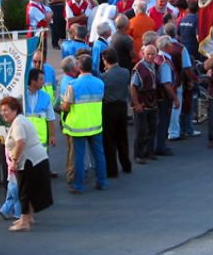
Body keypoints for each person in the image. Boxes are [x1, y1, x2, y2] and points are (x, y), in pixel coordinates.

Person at [0, 96, 54, 232]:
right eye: (2, 110)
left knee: (24, 190)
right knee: (28, 190)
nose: (3, 113)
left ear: (14, 110)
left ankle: (24, 221)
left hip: (29, 161)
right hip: (36, 159)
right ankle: (28, 217)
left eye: (6, 110)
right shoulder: (20, 120)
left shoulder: (18, 123)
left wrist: (14, 160)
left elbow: (20, 142)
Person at [61, 55, 108, 193]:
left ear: (79, 67)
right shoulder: (100, 83)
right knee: (99, 154)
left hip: (78, 126)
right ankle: (102, 181)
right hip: (95, 124)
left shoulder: (73, 85)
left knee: (79, 157)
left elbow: (66, 106)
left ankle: (78, 185)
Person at [100, 48, 131, 177]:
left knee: (109, 140)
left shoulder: (104, 76)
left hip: (109, 107)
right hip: (122, 106)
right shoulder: (125, 72)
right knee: (122, 137)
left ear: (105, 61)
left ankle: (112, 170)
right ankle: (126, 164)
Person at [130, 44, 159, 164]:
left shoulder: (155, 66)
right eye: (148, 54)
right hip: (142, 101)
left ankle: (149, 151)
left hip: (152, 100)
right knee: (141, 130)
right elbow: (133, 87)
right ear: (143, 54)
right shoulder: (139, 68)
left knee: (152, 128)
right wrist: (136, 104)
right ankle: (138, 155)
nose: (150, 56)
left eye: (153, 54)